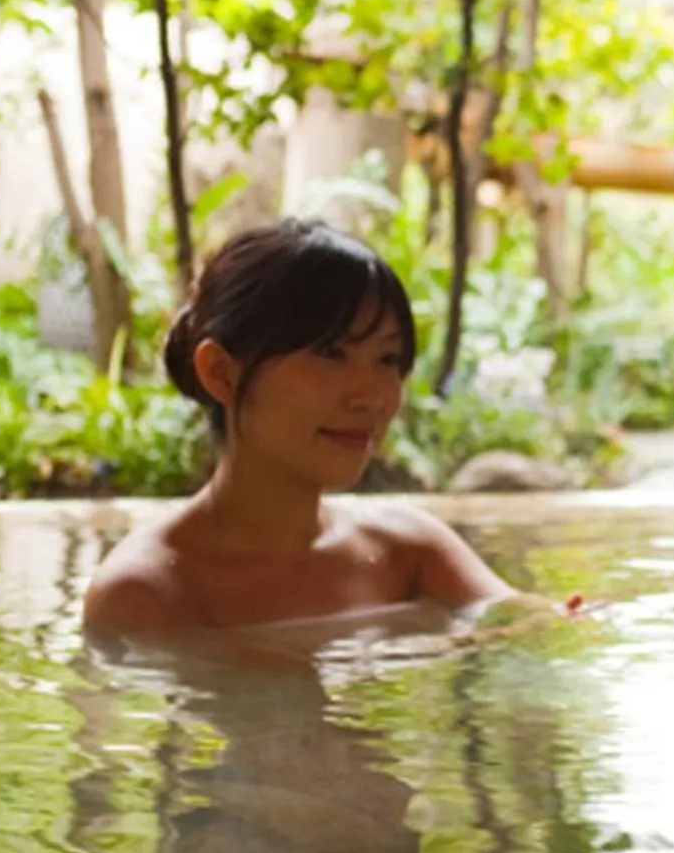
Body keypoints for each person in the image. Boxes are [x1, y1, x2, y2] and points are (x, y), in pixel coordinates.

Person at [84, 219, 512, 632]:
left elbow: (538, 631)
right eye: (330, 353)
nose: (372, 396)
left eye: (387, 359)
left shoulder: (409, 554)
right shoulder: (146, 594)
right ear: (221, 373)